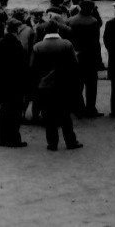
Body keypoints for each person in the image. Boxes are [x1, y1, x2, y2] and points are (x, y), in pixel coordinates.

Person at [31, 20, 83, 151]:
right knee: (65, 115)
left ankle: (52, 143)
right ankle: (70, 141)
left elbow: (33, 68)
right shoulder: (66, 44)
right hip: (63, 84)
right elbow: (74, 65)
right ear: (58, 30)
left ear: (44, 31)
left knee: (48, 116)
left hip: (45, 86)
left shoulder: (38, 47)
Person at [0, 20, 29, 147]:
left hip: (2, 82)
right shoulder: (17, 44)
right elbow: (22, 67)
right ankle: (14, 139)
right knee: (15, 113)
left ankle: (3, 139)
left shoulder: (0, 42)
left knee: (4, 112)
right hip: (15, 84)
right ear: (17, 30)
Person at [68, 0, 104, 117]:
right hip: (90, 56)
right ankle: (91, 108)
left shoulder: (71, 20)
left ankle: (79, 108)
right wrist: (99, 60)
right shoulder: (93, 21)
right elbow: (96, 43)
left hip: (75, 56)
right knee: (91, 85)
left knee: (77, 84)